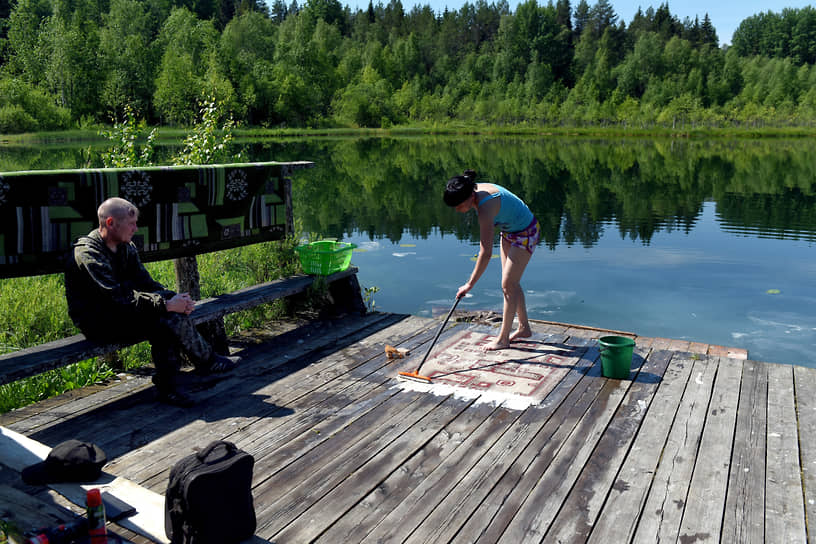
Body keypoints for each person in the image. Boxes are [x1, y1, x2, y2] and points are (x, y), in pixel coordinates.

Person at [64, 197, 241, 407]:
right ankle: (199, 367)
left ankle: (183, 377)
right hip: (97, 321)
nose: (136, 229)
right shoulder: (88, 253)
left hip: (123, 312)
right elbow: (117, 297)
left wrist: (174, 298)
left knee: (170, 315)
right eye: (131, 224)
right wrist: (164, 305)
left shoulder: (125, 248)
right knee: (164, 319)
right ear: (110, 223)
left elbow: (146, 283)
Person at [444, 169, 541, 351]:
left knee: (508, 284)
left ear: (468, 197)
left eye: (458, 206)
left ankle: (503, 339)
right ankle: (524, 328)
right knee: (510, 283)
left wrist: (469, 284)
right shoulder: (473, 192)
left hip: (526, 232)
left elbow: (486, 252)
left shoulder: (485, 207)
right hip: (509, 231)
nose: (457, 211)